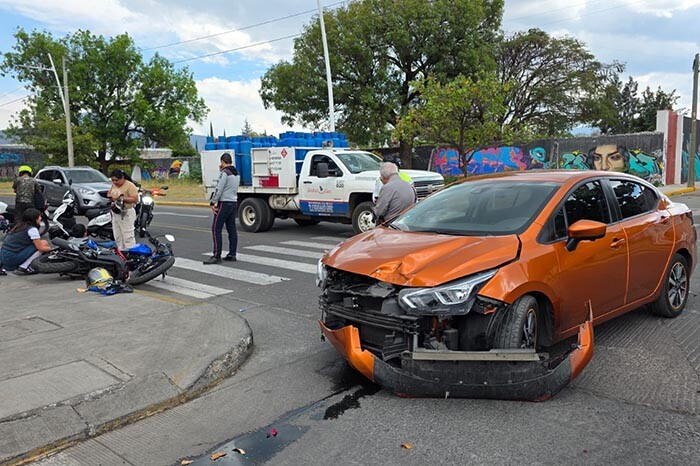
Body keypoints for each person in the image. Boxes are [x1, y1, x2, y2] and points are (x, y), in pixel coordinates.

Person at [204, 152, 240, 265]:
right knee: (232, 229)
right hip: (233, 202)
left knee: (216, 229)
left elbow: (219, 189)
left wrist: (213, 202)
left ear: (222, 162)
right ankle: (232, 254)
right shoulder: (236, 173)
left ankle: (216, 255)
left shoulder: (225, 173)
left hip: (223, 203)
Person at [0, 208, 52, 274]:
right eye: (39, 216)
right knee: (43, 245)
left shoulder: (18, 226)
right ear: (34, 218)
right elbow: (40, 248)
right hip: (12, 258)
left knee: (41, 244)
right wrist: (51, 249)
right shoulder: (32, 229)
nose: (41, 218)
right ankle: (24, 267)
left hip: (3, 256)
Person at [108, 169, 139, 250]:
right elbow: (109, 193)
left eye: (116, 180)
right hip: (116, 212)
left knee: (128, 236)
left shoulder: (130, 185)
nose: (114, 182)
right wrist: (111, 196)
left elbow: (135, 199)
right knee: (118, 236)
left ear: (122, 178)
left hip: (126, 213)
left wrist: (121, 198)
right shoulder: (114, 185)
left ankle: (131, 253)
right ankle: (121, 253)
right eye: (112, 180)